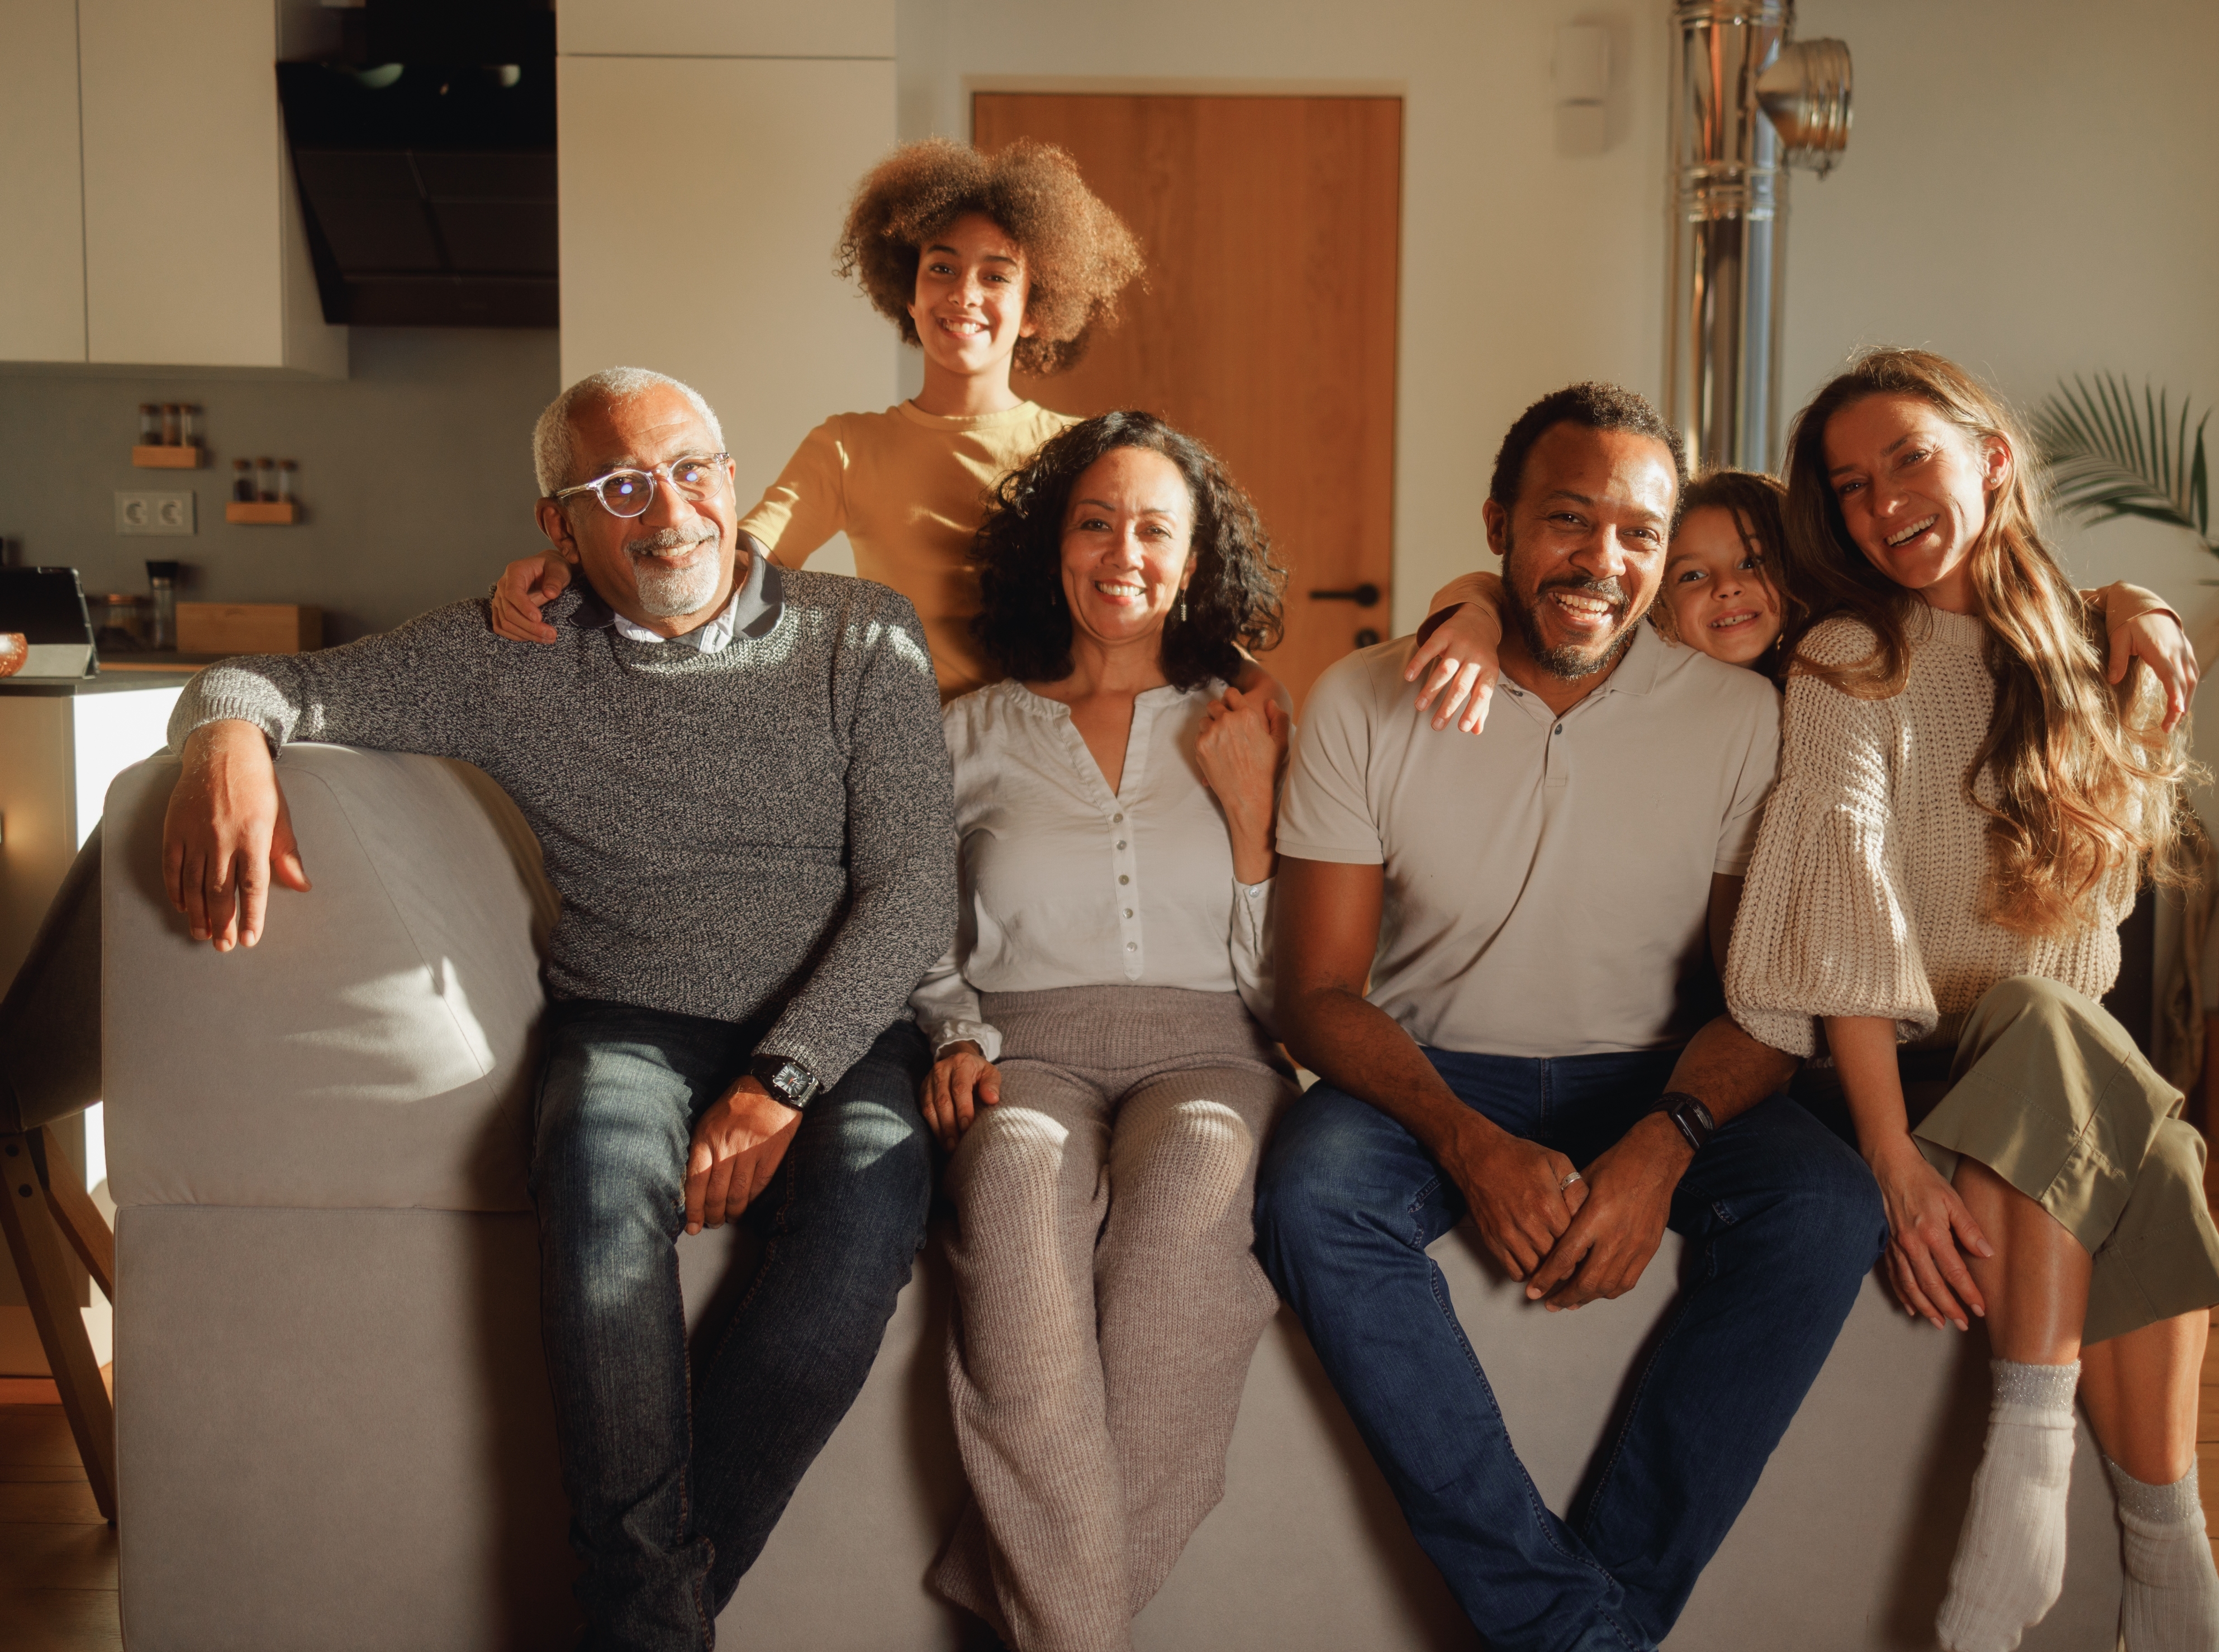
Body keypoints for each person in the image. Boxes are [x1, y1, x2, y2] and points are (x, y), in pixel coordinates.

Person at [158, 366, 957, 1650]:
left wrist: (783, 1078)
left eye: (693, 467)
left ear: (733, 474)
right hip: (626, 1020)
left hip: (839, 1028)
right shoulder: (503, 655)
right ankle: (651, 1625)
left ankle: (637, 1621)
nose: (673, 510)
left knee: (865, 1218)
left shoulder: (861, 632)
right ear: (558, 525)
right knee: (593, 1201)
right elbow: (264, 681)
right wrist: (226, 742)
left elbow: (916, 887)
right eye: (621, 486)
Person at [1253, 382, 1887, 1652]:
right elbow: (1312, 994)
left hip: (1652, 1066)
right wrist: (1460, 1138)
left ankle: (1589, 1617)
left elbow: (1759, 998)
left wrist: (1662, 1142)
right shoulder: (1361, 700)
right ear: (1497, 524)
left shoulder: (1737, 717)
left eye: (1638, 534)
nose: (1602, 559)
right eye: (1565, 519)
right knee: (1311, 1193)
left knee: (1821, 1204)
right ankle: (1571, 1630)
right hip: (1434, 1067)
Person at [1724, 349, 2219, 1652]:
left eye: (1906, 457)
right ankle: (2044, 1475)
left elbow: (2085, 944)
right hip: (1894, 1082)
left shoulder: (2092, 654)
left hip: (2037, 1086)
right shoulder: (1848, 655)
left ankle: (2154, 1543)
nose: (1876, 502)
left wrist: (2127, 613)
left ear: (1989, 457)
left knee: (2115, 1096)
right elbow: (1844, 914)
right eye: (1845, 487)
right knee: (2121, 1107)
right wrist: (1893, 1160)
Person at [907, 411, 1296, 1652]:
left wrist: (1249, 818)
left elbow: (1291, 981)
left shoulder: (1248, 722)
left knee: (1187, 1207)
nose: (1122, 549)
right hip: (1026, 1042)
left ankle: (1048, 1618)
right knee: (1014, 1187)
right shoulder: (966, 729)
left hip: (1215, 1046)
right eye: (1094, 520)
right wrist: (953, 1028)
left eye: (1154, 527)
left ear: (1193, 560)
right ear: (1052, 545)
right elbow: (911, 915)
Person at [488, 138, 1144, 700]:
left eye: (996, 276)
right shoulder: (848, 447)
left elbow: (1144, 585)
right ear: (907, 295)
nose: (964, 292)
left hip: (1048, 752)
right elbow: (722, 563)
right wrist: (567, 564)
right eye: (941, 267)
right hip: (906, 752)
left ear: (1036, 309)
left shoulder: (1077, 451)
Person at [1405, 468, 2197, 725]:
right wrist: (1473, 609)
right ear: (1655, 602)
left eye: (1753, 562)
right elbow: (1504, 591)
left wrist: (2130, 600)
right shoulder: (1635, 676)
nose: (1728, 589)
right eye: (1692, 575)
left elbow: (2011, 613)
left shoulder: (1841, 666)